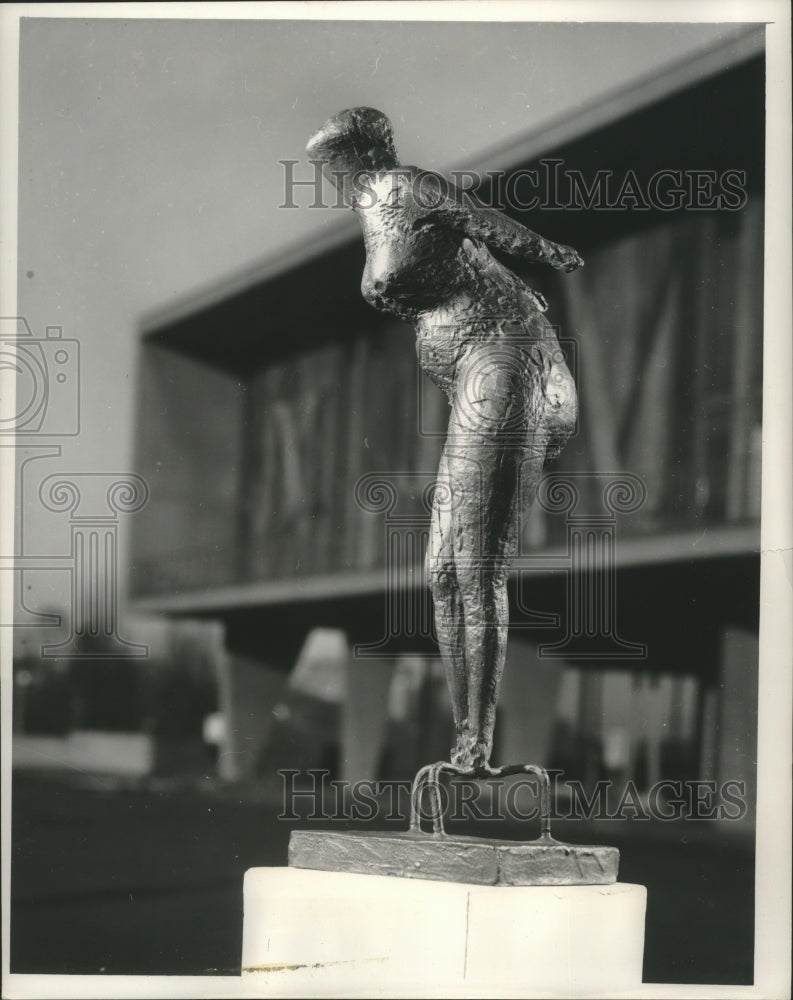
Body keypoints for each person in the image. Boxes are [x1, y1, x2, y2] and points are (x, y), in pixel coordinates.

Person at [308, 107, 582, 775]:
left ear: (363, 150)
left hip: (506, 359)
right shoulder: (374, 205)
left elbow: (489, 224)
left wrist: (551, 253)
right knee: (439, 572)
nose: (332, 175)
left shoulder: (404, 187)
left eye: (335, 159)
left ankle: (477, 749)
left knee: (475, 566)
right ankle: (468, 742)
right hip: (469, 375)